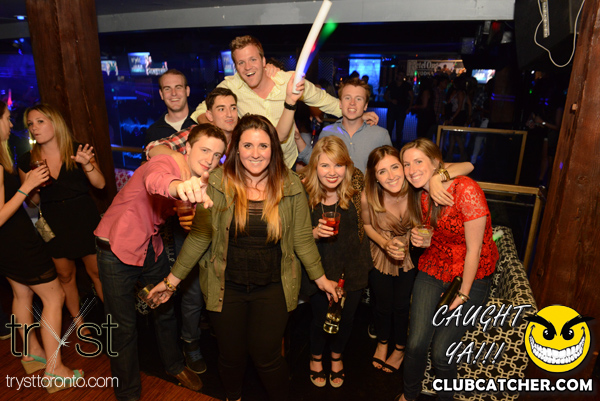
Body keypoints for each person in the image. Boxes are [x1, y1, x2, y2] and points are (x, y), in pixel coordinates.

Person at [150, 114, 339, 401]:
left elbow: (302, 238)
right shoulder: (217, 182)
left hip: (274, 286)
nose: (255, 153)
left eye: (263, 146)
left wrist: (321, 279)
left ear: (273, 149)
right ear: (236, 148)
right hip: (226, 287)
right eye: (247, 145)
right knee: (231, 356)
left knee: (267, 357)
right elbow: (199, 237)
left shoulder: (290, 184)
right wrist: (170, 282)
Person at [94, 124, 226, 401]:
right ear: (188, 148)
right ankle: (128, 395)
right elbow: (156, 180)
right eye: (204, 150)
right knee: (122, 327)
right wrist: (179, 188)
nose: (210, 159)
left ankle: (174, 365)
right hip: (116, 246)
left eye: (217, 155)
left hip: (150, 244)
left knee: (164, 307)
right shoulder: (167, 162)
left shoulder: (200, 178)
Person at [144, 87, 240, 374]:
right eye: (221, 108)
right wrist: (180, 170)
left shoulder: (242, 139)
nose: (228, 114)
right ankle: (191, 343)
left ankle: (222, 338)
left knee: (224, 286)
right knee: (193, 290)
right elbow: (153, 148)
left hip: (228, 227)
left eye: (233, 107)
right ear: (209, 114)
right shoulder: (197, 134)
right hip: (193, 226)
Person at [396, 138, 498, 401]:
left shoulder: (465, 189)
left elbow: (475, 249)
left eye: (418, 162)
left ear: (436, 163)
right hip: (434, 265)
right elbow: (436, 231)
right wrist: (423, 240)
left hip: (471, 275)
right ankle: (409, 395)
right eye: (406, 164)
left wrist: (463, 294)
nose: (411, 169)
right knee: (415, 344)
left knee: (442, 353)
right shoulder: (418, 192)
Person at [362, 146, 473, 374]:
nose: (391, 176)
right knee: (382, 304)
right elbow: (366, 225)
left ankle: (400, 348)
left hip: (411, 255)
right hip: (381, 253)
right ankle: (382, 342)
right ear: (375, 177)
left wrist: (437, 178)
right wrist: (384, 244)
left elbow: (468, 166)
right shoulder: (369, 196)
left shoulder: (416, 188)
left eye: (395, 167)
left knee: (402, 305)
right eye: (382, 171)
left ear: (404, 168)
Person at [190, 35, 379, 168]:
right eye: (241, 63)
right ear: (236, 67)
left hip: (286, 163)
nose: (248, 67)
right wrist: (219, 135)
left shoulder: (289, 81)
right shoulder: (231, 86)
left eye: (253, 59)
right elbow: (201, 111)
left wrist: (356, 114)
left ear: (263, 61)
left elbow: (325, 101)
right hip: (251, 165)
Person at [0, 100, 83, 393]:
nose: (11, 124)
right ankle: (55, 370)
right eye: (7, 118)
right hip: (17, 242)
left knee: (21, 294)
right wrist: (27, 186)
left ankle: (31, 352)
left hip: (7, 245)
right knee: (54, 296)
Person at [18, 104, 105, 335]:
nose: (34, 128)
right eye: (30, 124)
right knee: (65, 276)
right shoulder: (27, 161)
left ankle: (116, 318)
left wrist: (87, 164)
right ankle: (79, 322)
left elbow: (100, 184)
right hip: (51, 221)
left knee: (98, 272)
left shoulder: (78, 150)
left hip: (83, 216)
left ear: (55, 123)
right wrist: (33, 187)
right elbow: (32, 204)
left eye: (40, 121)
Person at [302, 136, 372, 388]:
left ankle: (336, 356)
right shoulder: (303, 193)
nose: (332, 172)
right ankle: (315, 357)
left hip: (352, 267)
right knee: (320, 319)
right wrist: (314, 233)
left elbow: (368, 223)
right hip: (318, 268)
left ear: (347, 166)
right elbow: (292, 235)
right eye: (325, 165)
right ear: (315, 166)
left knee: (346, 319)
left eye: (338, 165)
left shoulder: (356, 187)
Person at [319, 77, 392, 174]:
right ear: (340, 103)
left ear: (365, 105)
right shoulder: (327, 133)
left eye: (358, 99)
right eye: (347, 98)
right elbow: (316, 164)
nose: (352, 103)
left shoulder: (381, 135)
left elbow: (389, 171)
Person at [145, 69, 196, 146]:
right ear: (161, 94)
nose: (173, 93)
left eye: (178, 87)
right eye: (167, 89)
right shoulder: (153, 133)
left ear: (187, 91)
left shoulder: (201, 121)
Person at [384, 71, 413, 147]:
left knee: (399, 129)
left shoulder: (406, 85)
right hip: (393, 108)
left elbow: (412, 97)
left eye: (402, 75)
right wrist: (391, 100)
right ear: (397, 75)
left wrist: (409, 107)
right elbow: (385, 96)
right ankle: (389, 145)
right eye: (400, 75)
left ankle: (398, 145)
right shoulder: (392, 84)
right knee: (390, 128)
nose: (401, 76)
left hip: (401, 109)